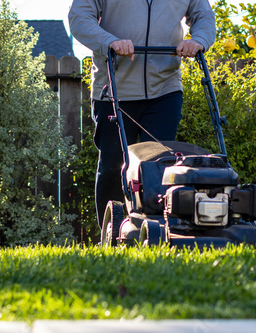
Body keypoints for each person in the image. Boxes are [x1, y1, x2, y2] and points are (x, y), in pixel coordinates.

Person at [68, 0, 216, 229]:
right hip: (114, 88)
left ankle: (155, 233)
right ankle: (113, 235)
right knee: (113, 164)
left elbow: (203, 16)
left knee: (159, 167)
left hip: (165, 89)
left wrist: (198, 40)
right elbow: (79, 17)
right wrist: (110, 41)